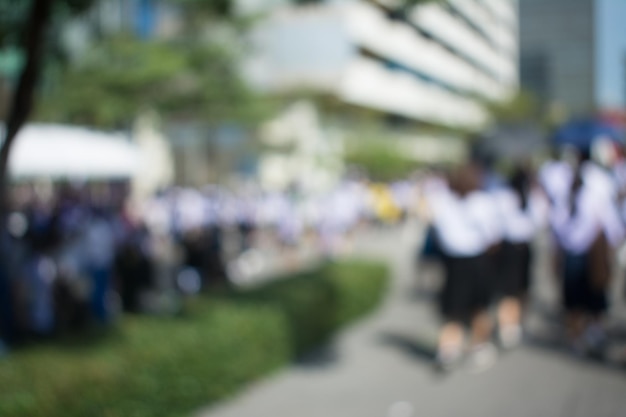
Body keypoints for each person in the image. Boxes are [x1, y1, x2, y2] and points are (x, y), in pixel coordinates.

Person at [426, 163, 501, 372]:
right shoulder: (482, 202)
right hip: (477, 260)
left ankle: (448, 349)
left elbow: (437, 232)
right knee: (479, 307)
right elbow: (492, 237)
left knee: (453, 310)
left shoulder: (442, 201)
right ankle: (478, 346)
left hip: (453, 262)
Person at [549, 149, 624, 356]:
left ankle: (580, 337)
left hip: (577, 249)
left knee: (579, 298)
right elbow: (608, 218)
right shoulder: (597, 180)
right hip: (590, 249)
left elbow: (556, 220)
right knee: (591, 295)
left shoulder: (566, 179)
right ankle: (589, 334)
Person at [493, 163, 547, 348]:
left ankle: (508, 325)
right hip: (523, 247)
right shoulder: (535, 197)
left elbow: (496, 223)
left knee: (508, 290)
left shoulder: (503, 196)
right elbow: (542, 220)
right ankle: (513, 323)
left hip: (508, 247)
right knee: (520, 288)